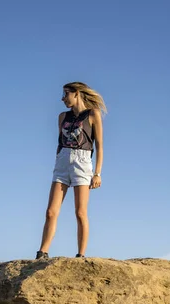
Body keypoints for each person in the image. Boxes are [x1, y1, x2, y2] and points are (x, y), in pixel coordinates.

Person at [36, 82, 107, 259]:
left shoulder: (93, 114)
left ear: (77, 94)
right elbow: (59, 142)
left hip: (82, 162)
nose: (62, 98)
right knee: (51, 211)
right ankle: (42, 252)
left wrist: (97, 173)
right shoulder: (62, 117)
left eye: (66, 94)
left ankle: (81, 255)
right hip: (62, 162)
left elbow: (99, 145)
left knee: (80, 211)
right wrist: (58, 160)